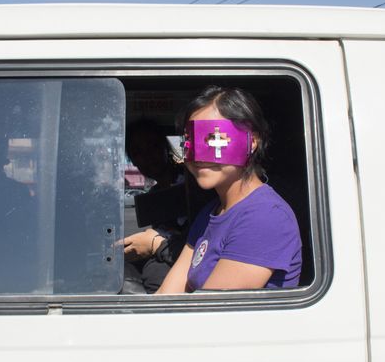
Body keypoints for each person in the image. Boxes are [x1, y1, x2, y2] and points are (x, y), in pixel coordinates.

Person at [156, 86, 301, 294]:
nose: (197, 156)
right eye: (189, 141)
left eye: (211, 139)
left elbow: (213, 316)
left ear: (252, 141)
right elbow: (167, 295)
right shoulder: (210, 213)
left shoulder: (265, 217)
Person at [121, 119, 188, 293]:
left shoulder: (193, 185)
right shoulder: (153, 197)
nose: (148, 156)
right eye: (138, 152)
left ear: (166, 148)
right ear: (133, 161)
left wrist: (154, 243)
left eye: (153, 146)